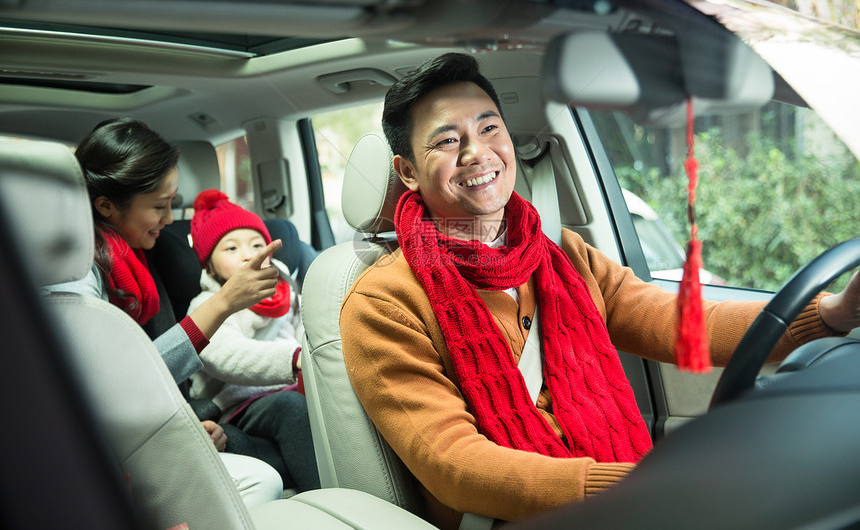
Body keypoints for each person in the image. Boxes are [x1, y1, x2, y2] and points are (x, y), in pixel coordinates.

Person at [339, 53, 860, 530]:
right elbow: (453, 462)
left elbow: (677, 323)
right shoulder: (382, 302)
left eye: (489, 127)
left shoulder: (559, 252)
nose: (477, 152)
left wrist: (833, 314)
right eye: (448, 140)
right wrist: (628, 488)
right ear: (407, 171)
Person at [47, 117, 285, 507]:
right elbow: (120, 384)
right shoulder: (74, 275)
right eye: (159, 207)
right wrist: (223, 303)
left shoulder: (137, 259)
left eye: (172, 204)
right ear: (105, 205)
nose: (171, 220)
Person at [187, 188, 320, 492]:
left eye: (257, 244)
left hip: (294, 385)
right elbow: (227, 356)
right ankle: (327, 494)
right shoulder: (207, 304)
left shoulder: (285, 291)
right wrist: (294, 357)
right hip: (239, 402)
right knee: (290, 407)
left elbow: (304, 331)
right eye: (231, 249)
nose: (247, 254)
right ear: (209, 265)